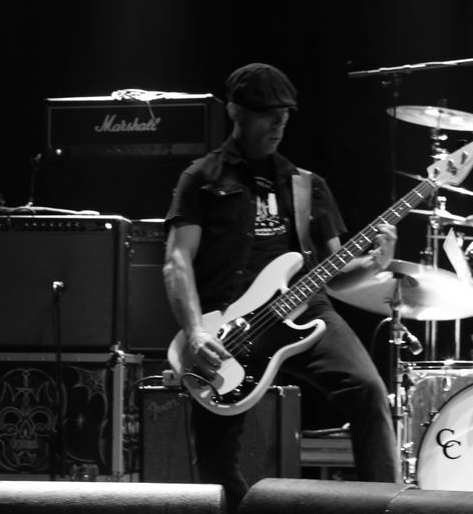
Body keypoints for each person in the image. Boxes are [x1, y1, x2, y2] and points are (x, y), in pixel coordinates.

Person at [163, 63, 400, 512]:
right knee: (215, 458)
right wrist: (194, 332)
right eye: (268, 114)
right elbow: (177, 261)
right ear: (236, 111)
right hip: (228, 323)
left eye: (286, 114)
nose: (279, 123)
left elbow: (335, 270)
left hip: (306, 310)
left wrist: (374, 262)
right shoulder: (202, 178)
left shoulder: (306, 185)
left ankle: (386, 506)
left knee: (368, 391)